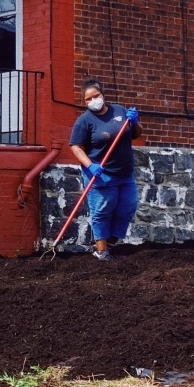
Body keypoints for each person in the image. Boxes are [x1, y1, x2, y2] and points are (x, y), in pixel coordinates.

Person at [69, 78, 143, 261]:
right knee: (102, 210)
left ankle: (110, 243)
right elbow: (76, 147)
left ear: (102, 95)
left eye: (96, 96)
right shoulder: (84, 121)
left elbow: (136, 133)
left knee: (127, 209)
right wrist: (90, 165)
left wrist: (135, 122)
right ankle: (101, 251)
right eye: (88, 99)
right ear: (84, 102)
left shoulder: (119, 110)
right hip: (101, 174)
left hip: (125, 173)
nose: (93, 100)